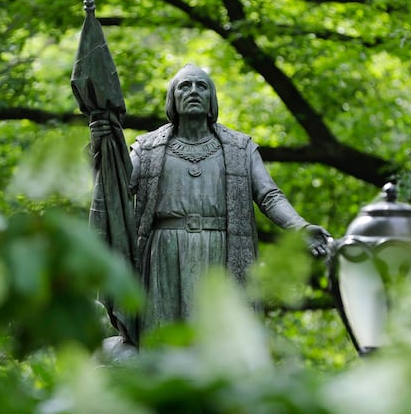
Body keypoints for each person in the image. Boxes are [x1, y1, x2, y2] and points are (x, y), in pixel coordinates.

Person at [92, 64, 331, 337]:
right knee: (164, 336)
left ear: (211, 99)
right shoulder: (147, 148)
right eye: (184, 86)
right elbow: (114, 189)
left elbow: (269, 195)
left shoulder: (240, 148)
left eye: (201, 86)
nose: (193, 91)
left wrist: (300, 227)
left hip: (223, 250)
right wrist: (103, 146)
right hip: (163, 253)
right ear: (173, 98)